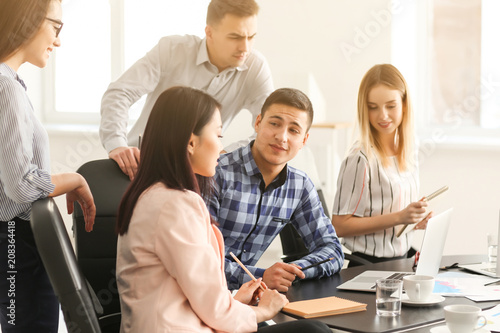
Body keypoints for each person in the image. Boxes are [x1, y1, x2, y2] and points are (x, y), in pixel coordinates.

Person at [115, 86, 330, 333]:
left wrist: (235, 300)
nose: (221, 146)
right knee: (314, 331)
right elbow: (213, 308)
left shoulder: (155, 194)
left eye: (293, 130)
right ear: (191, 142)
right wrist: (263, 310)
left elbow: (194, 293)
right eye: (218, 136)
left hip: (188, 321)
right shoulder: (177, 204)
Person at [0, 0, 96, 332]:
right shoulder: (6, 87)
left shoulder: (9, 83)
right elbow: (20, 186)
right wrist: (73, 179)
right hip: (16, 240)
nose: (58, 40)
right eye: (56, 27)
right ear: (29, 19)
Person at [100, 0, 273, 180]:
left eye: (251, 37)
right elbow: (120, 93)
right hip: (139, 167)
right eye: (235, 37)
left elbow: (269, 126)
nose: (245, 48)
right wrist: (116, 144)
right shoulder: (171, 50)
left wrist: (225, 154)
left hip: (198, 176)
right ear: (209, 32)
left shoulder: (255, 67)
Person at [207, 88, 344, 292]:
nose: (282, 137)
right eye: (274, 124)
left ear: (304, 140)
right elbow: (198, 259)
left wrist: (290, 271)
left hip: (247, 299)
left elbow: (332, 250)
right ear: (258, 123)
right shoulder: (216, 174)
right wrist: (261, 277)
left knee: (316, 326)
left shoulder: (300, 186)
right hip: (202, 295)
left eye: (294, 130)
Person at [331, 64, 430, 267]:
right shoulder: (360, 159)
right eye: (373, 107)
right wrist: (399, 217)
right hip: (368, 266)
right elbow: (339, 226)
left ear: (404, 104)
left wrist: (414, 222)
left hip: (404, 260)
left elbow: (392, 215)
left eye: (390, 106)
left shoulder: (410, 149)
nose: (382, 115)